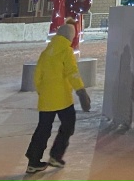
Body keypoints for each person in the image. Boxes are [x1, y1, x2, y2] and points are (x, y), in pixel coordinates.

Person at [25, 20, 91, 174]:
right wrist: (81, 91)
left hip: (46, 99)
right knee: (68, 125)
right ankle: (56, 155)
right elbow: (72, 72)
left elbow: (37, 76)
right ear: (70, 36)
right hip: (62, 99)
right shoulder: (66, 51)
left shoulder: (46, 51)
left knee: (43, 129)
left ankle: (33, 161)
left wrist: (43, 92)